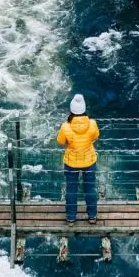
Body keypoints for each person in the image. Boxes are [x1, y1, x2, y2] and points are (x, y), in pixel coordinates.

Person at [57, 94, 99, 224]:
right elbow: (95, 136)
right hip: (89, 161)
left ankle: (71, 218)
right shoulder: (92, 124)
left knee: (71, 189)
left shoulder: (65, 126)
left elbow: (60, 141)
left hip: (71, 162)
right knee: (90, 188)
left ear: (71, 110)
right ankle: (92, 216)